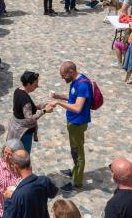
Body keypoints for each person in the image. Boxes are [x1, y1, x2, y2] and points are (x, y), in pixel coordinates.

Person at [50, 61, 93, 192]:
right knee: (74, 149)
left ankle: (77, 182)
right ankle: (75, 171)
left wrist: (58, 102)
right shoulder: (76, 80)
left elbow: (77, 107)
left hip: (78, 123)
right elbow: (74, 97)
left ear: (71, 72)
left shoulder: (83, 84)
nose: (63, 78)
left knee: (78, 152)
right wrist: (59, 96)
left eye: (64, 75)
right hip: (73, 122)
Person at [6, 71, 55, 153]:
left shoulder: (18, 90)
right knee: (24, 155)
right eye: (35, 84)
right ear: (28, 84)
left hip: (15, 127)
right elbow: (29, 119)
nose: (37, 86)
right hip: (24, 133)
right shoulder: (25, 100)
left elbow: (25, 108)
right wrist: (44, 111)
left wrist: (41, 106)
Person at [2, 150, 58, 218]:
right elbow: (53, 193)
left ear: (16, 165)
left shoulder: (17, 196)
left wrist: (7, 200)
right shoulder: (44, 180)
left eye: (12, 165)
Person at [0, 139, 24, 218]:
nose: (6, 156)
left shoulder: (22, 169)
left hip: (14, 211)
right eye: (5, 152)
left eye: (10, 154)